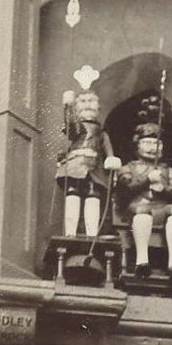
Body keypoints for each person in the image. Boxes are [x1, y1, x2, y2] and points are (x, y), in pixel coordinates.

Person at [116, 95, 172, 277]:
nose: (152, 147)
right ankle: (142, 259)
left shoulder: (167, 169)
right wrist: (147, 180)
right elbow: (126, 189)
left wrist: (163, 189)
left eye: (157, 143)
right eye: (147, 142)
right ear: (137, 144)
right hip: (136, 208)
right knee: (142, 209)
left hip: (161, 209)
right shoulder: (128, 167)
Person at [56, 66, 121, 238]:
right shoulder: (78, 126)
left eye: (90, 102)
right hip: (76, 163)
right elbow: (71, 128)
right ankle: (70, 232)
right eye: (83, 102)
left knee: (93, 194)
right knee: (73, 192)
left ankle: (92, 233)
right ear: (78, 107)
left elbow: (107, 148)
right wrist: (67, 108)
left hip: (94, 165)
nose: (87, 105)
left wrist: (112, 158)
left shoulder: (101, 131)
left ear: (98, 106)